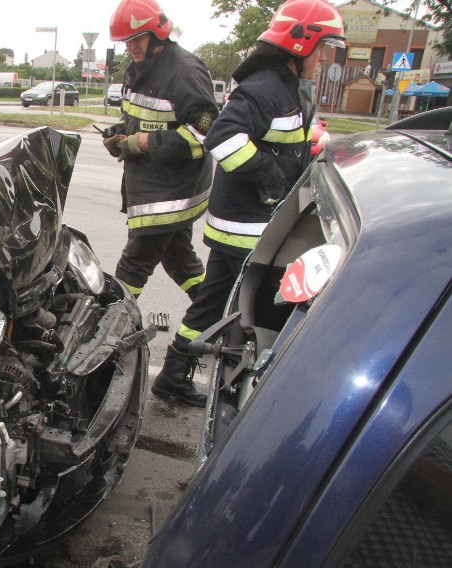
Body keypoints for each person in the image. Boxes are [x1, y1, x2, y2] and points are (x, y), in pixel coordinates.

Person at [151, 0, 346, 407]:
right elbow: (222, 137)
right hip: (246, 228)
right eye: (324, 47)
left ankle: (179, 376)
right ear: (300, 43)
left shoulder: (287, 88)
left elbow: (284, 146)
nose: (326, 57)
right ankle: (223, 390)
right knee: (246, 308)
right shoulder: (266, 89)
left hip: (251, 224)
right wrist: (271, 180)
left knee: (219, 304)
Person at [102, 0, 218, 321]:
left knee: (133, 266)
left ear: (158, 33)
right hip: (152, 185)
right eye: (126, 41)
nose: (131, 47)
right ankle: (217, 314)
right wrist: (118, 134)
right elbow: (140, 119)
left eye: (137, 38)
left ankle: (109, 327)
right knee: (180, 260)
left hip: (171, 192)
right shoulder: (138, 68)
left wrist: (141, 143)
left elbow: (205, 133)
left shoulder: (185, 71)